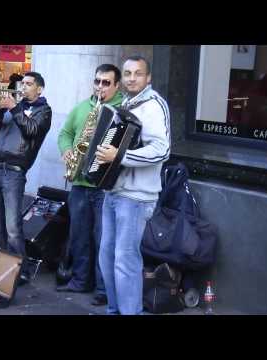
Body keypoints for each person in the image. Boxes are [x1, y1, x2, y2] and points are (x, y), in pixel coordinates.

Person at [96, 55, 170, 315]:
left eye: (138, 73)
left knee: (125, 260)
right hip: (115, 192)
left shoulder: (154, 105)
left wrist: (119, 156)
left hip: (137, 197)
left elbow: (162, 150)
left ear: (148, 77)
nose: (131, 78)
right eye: (127, 73)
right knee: (106, 258)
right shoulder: (127, 103)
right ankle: (115, 310)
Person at [57, 64, 125, 306]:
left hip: (105, 187)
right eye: (97, 81)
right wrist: (66, 151)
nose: (100, 86)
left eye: (106, 83)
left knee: (103, 239)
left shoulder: (123, 110)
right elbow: (64, 133)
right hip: (79, 183)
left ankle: (103, 289)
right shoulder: (81, 108)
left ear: (117, 85)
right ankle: (80, 280)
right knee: (79, 236)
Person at [0, 72, 52, 283]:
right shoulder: (15, 107)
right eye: (22, 83)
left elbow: (32, 130)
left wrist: (14, 108)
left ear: (39, 89)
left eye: (29, 84)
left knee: (13, 227)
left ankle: (20, 270)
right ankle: (0, 268)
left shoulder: (44, 111)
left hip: (14, 173)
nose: (23, 87)